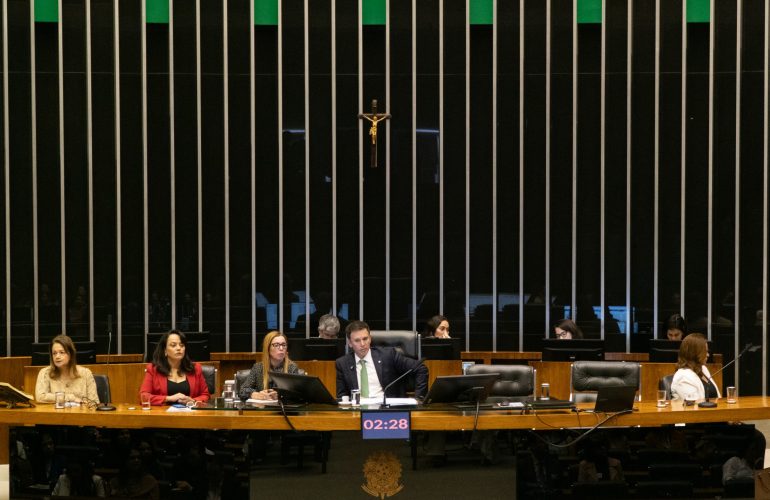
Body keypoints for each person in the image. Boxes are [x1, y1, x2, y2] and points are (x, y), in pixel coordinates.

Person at [335, 320, 428, 399]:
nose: (362, 344)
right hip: (358, 411)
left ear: (370, 339)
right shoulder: (342, 364)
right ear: (350, 343)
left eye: (365, 339)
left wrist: (418, 399)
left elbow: (421, 368)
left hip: (386, 409)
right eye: (357, 340)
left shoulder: (388, 355)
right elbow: (342, 396)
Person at [139, 330, 211, 406]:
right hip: (164, 414)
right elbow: (143, 396)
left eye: (182, 345)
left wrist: (192, 401)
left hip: (191, 415)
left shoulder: (196, 368)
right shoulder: (153, 369)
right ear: (165, 350)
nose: (179, 348)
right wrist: (168, 398)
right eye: (173, 345)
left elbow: (206, 395)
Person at [35, 334, 99, 404]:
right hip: (55, 414)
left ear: (71, 354)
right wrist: (70, 398)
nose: (57, 356)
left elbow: (94, 402)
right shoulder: (45, 373)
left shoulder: (86, 373)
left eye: (62, 352)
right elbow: (40, 397)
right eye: (54, 353)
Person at [238, 331, 299, 401]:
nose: (281, 348)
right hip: (262, 410)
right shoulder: (258, 368)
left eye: (284, 345)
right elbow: (242, 390)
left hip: (283, 410)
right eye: (276, 345)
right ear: (268, 348)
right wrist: (256, 394)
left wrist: (280, 395)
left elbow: (296, 394)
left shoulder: (291, 367)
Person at [670, 333, 720, 401]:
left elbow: (718, 397)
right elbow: (694, 406)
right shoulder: (683, 377)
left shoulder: (703, 369)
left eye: (707, 351)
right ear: (694, 353)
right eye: (704, 352)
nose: (708, 355)